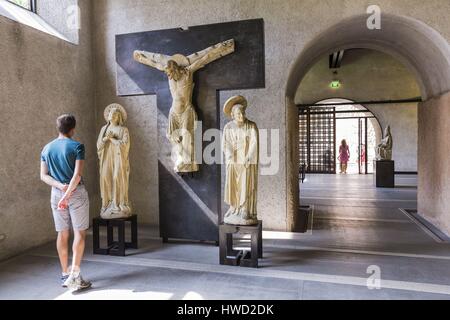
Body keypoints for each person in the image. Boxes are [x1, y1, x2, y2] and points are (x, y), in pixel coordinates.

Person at [40, 114, 92, 290]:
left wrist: (60, 188)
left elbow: (43, 176)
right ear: (73, 129)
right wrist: (67, 194)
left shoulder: (46, 148)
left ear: (58, 128)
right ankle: (75, 275)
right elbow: (77, 176)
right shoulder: (77, 146)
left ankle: (64, 274)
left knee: (62, 234)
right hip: (75, 193)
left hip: (56, 193)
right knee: (79, 233)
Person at [222, 95, 259, 226]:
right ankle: (233, 207)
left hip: (246, 161)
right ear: (232, 115)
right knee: (232, 184)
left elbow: (254, 143)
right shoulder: (228, 127)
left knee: (245, 183)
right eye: (238, 113)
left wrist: (249, 156)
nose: (241, 115)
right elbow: (226, 144)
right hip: (233, 160)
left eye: (243, 112)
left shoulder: (251, 126)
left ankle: (245, 209)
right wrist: (230, 155)